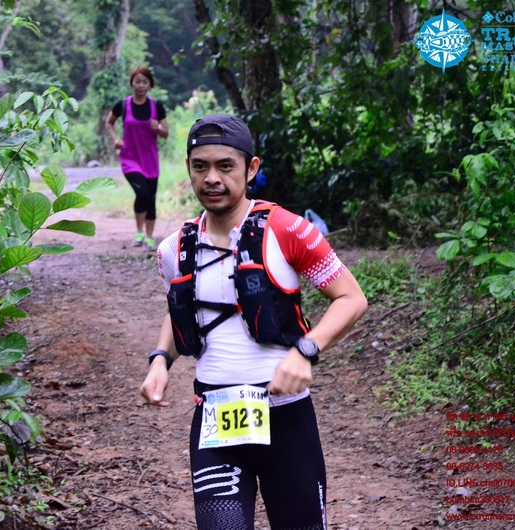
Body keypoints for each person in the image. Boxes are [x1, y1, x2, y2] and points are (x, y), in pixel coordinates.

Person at [139, 114, 367, 530]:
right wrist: (160, 360)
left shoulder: (289, 230)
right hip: (215, 422)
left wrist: (306, 351)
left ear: (251, 168)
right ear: (188, 168)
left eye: (225, 166)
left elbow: (351, 298)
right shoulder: (173, 248)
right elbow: (180, 309)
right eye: (200, 166)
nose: (212, 178)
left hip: (287, 420)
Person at [105, 66, 169, 251]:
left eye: (145, 82)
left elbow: (166, 133)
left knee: (151, 198)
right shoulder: (122, 105)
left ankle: (149, 238)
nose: (141, 85)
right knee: (142, 193)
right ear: (132, 84)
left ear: (150, 85)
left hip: (150, 160)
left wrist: (158, 128)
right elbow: (109, 122)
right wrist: (116, 139)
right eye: (137, 81)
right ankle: (139, 232)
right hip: (129, 159)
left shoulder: (157, 106)